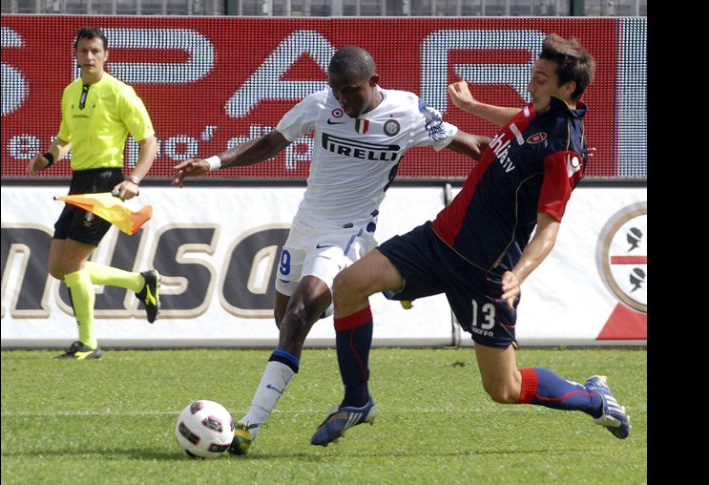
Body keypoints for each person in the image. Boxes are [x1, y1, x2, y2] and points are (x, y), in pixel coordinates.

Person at [310, 34, 631, 446]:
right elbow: (518, 120)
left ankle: (593, 399)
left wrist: (518, 274)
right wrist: (473, 108)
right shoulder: (536, 111)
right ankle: (357, 401)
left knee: (505, 389)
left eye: (540, 79)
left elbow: (549, 226)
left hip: (486, 272)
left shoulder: (564, 150)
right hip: (439, 239)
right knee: (349, 286)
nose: (530, 86)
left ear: (568, 88)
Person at [171, 46, 490, 454]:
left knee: (301, 314)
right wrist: (214, 163)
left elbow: (475, 146)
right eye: (336, 90)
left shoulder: (408, 113)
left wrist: (538, 160)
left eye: (351, 91)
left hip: (347, 233)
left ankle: (249, 427)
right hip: (305, 227)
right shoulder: (321, 105)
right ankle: (381, 286)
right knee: (286, 320)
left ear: (374, 83)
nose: (342, 99)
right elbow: (272, 141)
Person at [28, 27, 161, 360]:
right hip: (78, 183)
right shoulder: (70, 92)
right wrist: (48, 156)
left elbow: (149, 142)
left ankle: (88, 343)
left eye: (95, 51)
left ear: (106, 56)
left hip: (106, 183)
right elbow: (65, 138)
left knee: (72, 264)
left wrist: (133, 179)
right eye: (84, 51)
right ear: (75, 54)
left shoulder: (121, 92)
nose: (89, 57)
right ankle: (139, 283)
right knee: (58, 267)